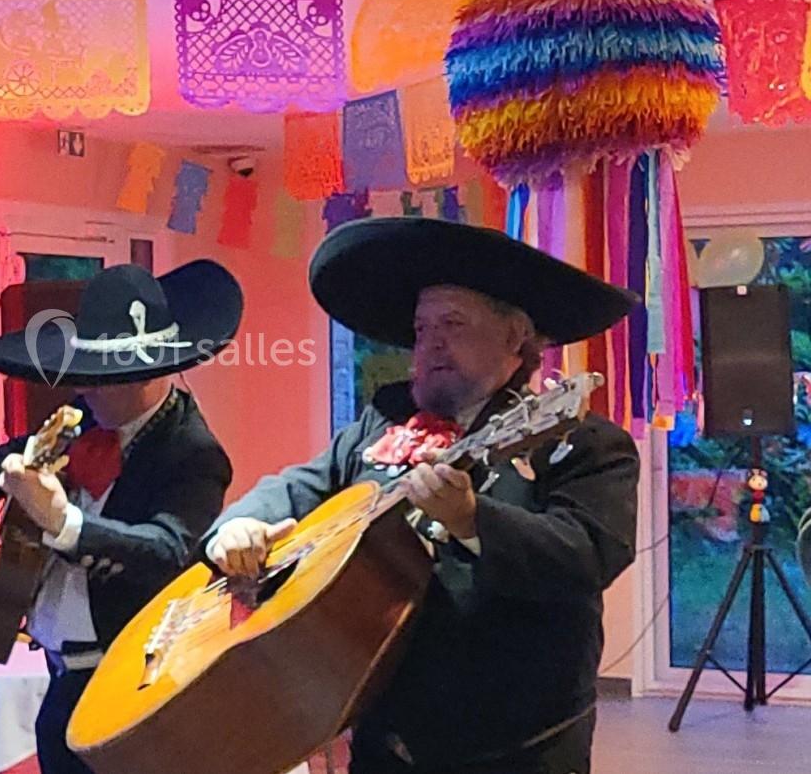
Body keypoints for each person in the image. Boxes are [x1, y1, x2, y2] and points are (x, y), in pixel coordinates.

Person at [206, 217, 640, 774]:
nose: (431, 342)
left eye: (453, 323)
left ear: (516, 336)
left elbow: (585, 555)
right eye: (421, 327)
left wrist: (472, 520)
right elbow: (299, 486)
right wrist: (237, 527)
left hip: (514, 751)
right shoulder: (384, 422)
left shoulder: (585, 444)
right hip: (384, 741)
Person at [0, 261, 242, 774]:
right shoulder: (86, 417)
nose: (85, 390)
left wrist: (64, 524)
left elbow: (167, 551)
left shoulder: (193, 452)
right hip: (61, 682)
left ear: (148, 374)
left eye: (102, 380)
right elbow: (10, 451)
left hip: (135, 694)